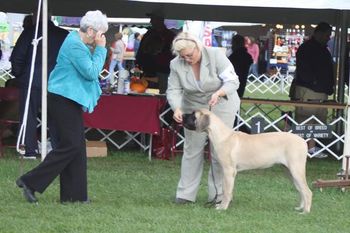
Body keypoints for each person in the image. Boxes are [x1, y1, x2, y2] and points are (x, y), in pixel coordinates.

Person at [15, 10, 108, 203]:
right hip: (62, 99)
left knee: (77, 147)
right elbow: (91, 72)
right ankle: (29, 181)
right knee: (70, 145)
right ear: (91, 30)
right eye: (101, 33)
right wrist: (101, 49)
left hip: (68, 98)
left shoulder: (77, 42)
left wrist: (95, 48)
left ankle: (75, 196)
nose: (102, 37)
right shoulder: (75, 45)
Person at [166, 32, 240, 204]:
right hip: (193, 107)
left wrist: (219, 92)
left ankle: (218, 195)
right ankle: (185, 194)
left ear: (198, 47)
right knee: (192, 149)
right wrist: (176, 107)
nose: (186, 59)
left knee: (219, 151)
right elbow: (173, 89)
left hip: (222, 103)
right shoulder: (175, 64)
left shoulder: (216, 55)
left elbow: (233, 81)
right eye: (182, 56)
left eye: (190, 55)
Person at [10, 13, 68, 159]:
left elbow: (17, 57)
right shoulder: (63, 34)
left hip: (31, 81)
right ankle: (57, 148)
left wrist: (19, 75)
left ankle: (29, 150)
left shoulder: (29, 32)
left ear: (36, 17)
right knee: (57, 117)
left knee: (28, 116)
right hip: (57, 82)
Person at [289, 22, 334, 158]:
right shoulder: (306, 48)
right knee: (306, 120)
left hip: (320, 90)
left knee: (317, 120)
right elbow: (304, 70)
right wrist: (315, 83)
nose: (328, 38)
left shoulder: (323, 49)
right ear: (319, 33)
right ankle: (305, 148)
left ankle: (311, 147)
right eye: (327, 35)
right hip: (309, 89)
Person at [136, 9, 175, 94]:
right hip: (147, 72)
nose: (150, 21)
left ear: (159, 20)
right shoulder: (149, 34)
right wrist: (138, 64)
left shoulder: (170, 36)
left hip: (163, 73)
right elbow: (141, 51)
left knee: (161, 97)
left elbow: (174, 55)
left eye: (152, 18)